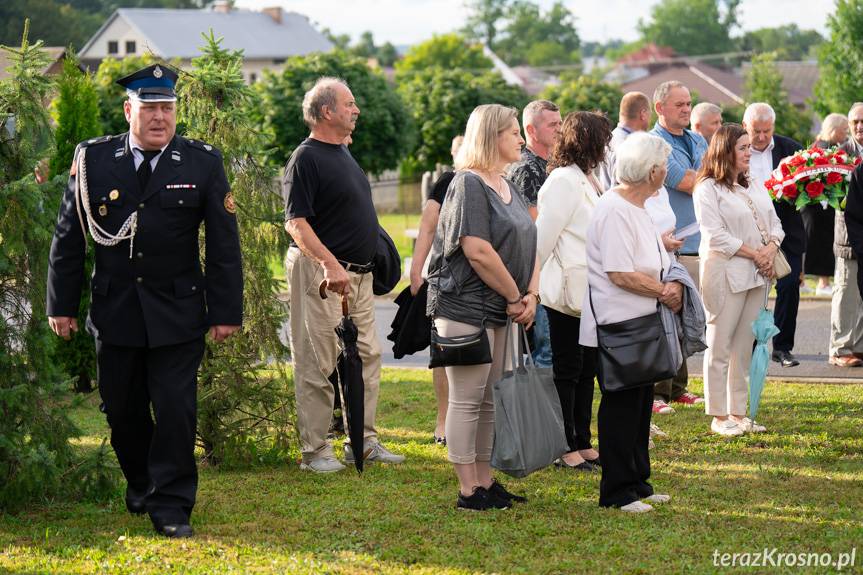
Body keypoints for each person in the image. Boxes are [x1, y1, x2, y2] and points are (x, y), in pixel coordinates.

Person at [46, 65, 243, 538]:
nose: (160, 118)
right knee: (122, 411)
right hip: (116, 312)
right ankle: (142, 480)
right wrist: (61, 303)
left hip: (178, 310)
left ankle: (172, 505)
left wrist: (225, 312)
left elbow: (223, 245)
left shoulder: (201, 162)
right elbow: (69, 236)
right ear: (128, 109)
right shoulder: (94, 161)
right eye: (150, 108)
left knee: (176, 409)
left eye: (167, 109)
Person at [284, 77, 404, 473]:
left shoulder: (343, 153)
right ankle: (315, 451)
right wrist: (329, 264)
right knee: (318, 360)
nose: (356, 110)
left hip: (359, 278)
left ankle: (363, 443)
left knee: (367, 355)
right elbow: (296, 224)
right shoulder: (305, 158)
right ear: (326, 112)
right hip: (322, 275)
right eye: (349, 104)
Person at [427, 104, 539, 511]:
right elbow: (476, 250)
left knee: (492, 397)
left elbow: (532, 238)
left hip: (505, 304)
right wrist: (515, 296)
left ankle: (486, 480)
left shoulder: (509, 182)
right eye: (513, 132)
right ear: (492, 136)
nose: (521, 140)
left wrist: (531, 294)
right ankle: (467, 489)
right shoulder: (468, 184)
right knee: (467, 397)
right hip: (466, 306)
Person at [579, 132, 678, 513]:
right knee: (621, 407)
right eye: (664, 166)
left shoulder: (637, 206)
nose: (666, 171)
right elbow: (619, 273)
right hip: (617, 323)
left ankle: (639, 483)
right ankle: (617, 491)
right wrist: (663, 291)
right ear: (652, 172)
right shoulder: (615, 208)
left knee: (639, 407)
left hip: (639, 320)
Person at [694, 124, 783, 436]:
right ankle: (718, 415)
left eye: (749, 147)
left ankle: (738, 411)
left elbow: (776, 223)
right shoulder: (706, 188)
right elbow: (714, 235)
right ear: (725, 151)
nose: (749, 152)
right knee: (719, 344)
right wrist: (755, 253)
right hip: (724, 274)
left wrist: (771, 249)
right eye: (743, 148)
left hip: (756, 275)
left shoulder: (754, 184)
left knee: (744, 348)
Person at [536, 111, 609, 471]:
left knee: (587, 368)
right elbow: (543, 239)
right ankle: (566, 445)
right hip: (566, 291)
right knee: (568, 369)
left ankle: (583, 439)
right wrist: (529, 286)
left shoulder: (588, 179)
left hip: (591, 291)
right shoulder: (563, 180)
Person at [649, 81, 706, 409]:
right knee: (666, 318)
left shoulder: (697, 138)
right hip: (671, 243)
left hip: (699, 241)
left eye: (688, 103)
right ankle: (658, 391)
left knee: (685, 319)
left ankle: (677, 387)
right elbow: (687, 183)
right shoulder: (656, 144)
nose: (686, 109)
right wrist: (706, 175)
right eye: (679, 104)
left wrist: (706, 175)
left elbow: (713, 177)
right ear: (660, 108)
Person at [409, 134, 464, 444]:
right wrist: (416, 272)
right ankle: (443, 421)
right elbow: (428, 226)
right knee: (443, 353)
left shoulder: (499, 179)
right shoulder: (447, 182)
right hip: (446, 278)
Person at [742, 102, 804, 368]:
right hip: (750, 231)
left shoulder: (790, 149)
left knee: (789, 288)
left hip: (787, 231)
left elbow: (803, 188)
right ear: (746, 127)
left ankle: (783, 347)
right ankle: (752, 345)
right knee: (754, 290)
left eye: (767, 131)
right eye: (756, 131)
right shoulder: (737, 150)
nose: (762, 137)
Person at [506, 100, 562, 370]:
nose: (559, 130)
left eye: (560, 122)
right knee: (546, 352)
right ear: (531, 129)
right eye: (553, 124)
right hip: (538, 272)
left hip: (555, 270)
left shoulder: (552, 163)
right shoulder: (525, 168)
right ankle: (541, 411)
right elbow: (534, 226)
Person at [829, 104, 863, 367]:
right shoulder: (839, 156)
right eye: (855, 122)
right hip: (848, 237)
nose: (860, 127)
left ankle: (858, 347)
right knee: (846, 292)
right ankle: (840, 349)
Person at [806, 114, 849, 297]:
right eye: (844, 130)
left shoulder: (815, 146)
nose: (846, 134)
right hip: (821, 205)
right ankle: (823, 283)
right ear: (834, 130)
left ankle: (814, 281)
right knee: (822, 242)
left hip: (814, 204)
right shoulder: (829, 149)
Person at [600, 91, 651, 190]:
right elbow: (623, 189)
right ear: (643, 114)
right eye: (650, 113)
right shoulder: (628, 146)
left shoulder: (612, 138)